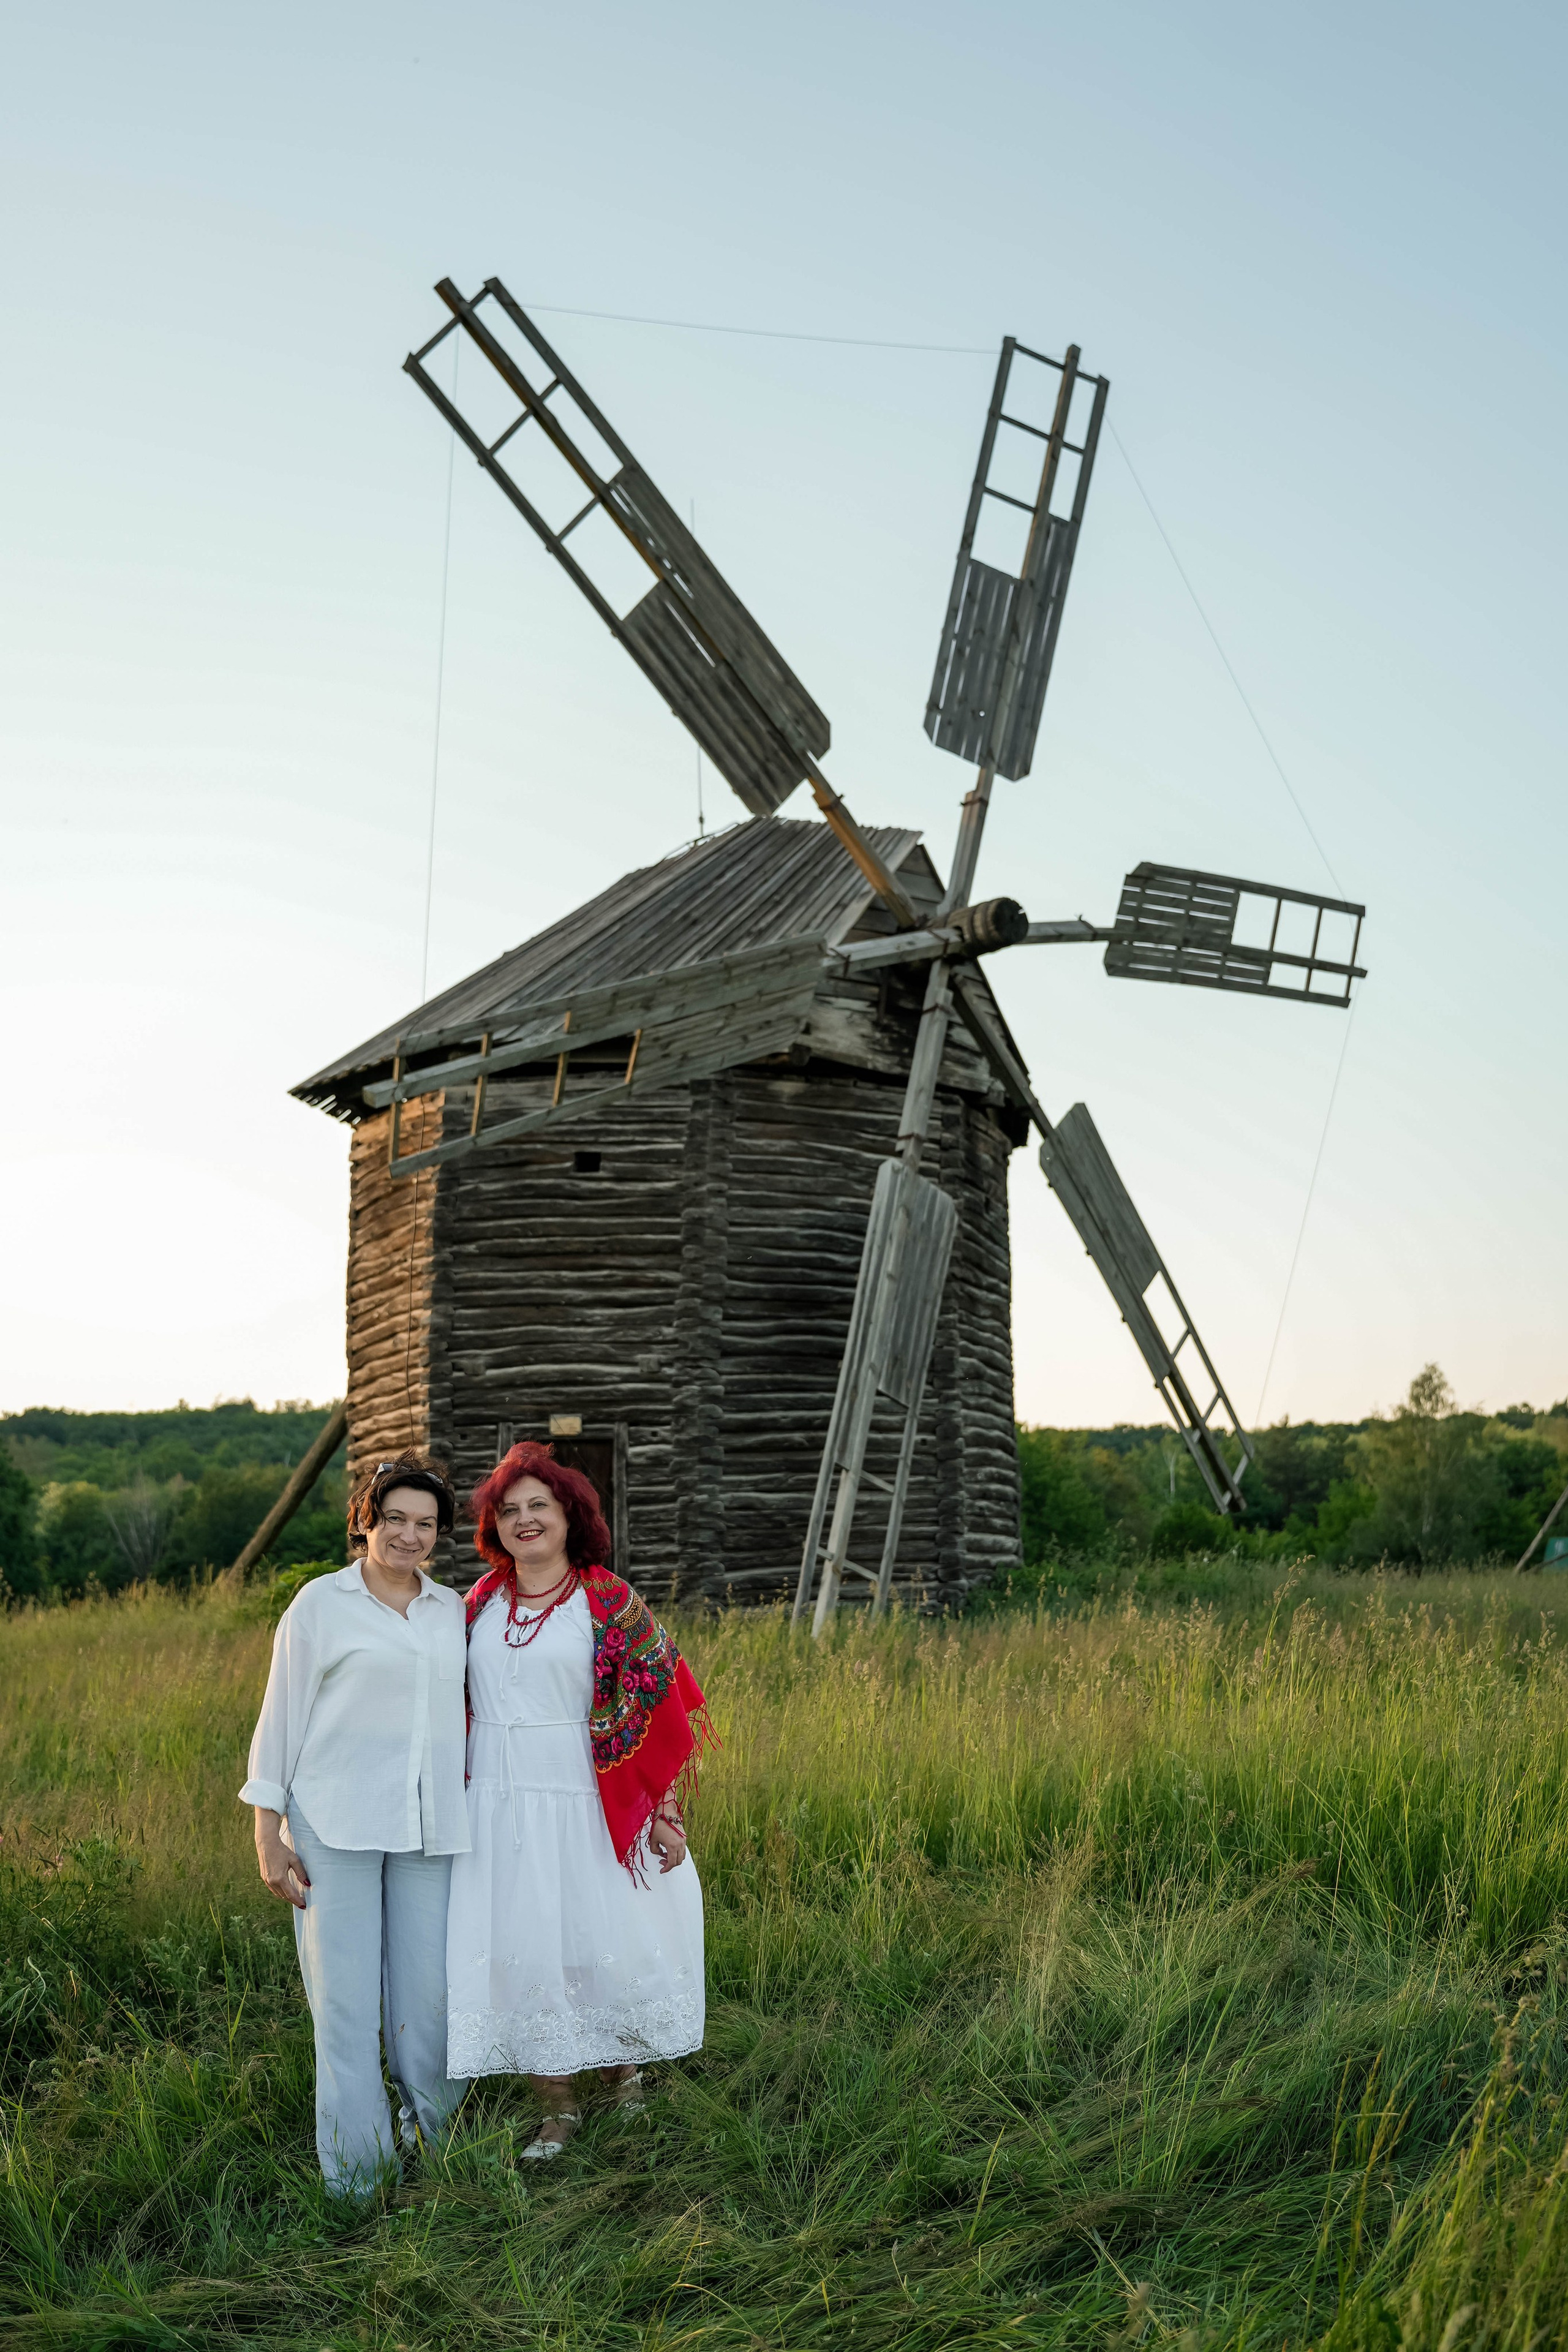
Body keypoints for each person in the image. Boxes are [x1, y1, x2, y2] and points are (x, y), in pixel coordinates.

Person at [445, 1441, 712, 2158]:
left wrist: (662, 1810)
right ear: (493, 1526)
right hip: (496, 1801)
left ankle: (623, 2079)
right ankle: (557, 2109)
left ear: (569, 1516)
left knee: (606, 1938)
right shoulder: (476, 1604)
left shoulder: (606, 1597)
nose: (525, 1520)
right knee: (524, 1947)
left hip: (588, 1794)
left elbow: (659, 1702)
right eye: (509, 1511)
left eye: (540, 1506)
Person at [239, 1452, 470, 2196]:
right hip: (332, 1823)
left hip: (430, 1828)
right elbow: (280, 1719)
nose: (409, 1535)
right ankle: (358, 2178)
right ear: (366, 1520)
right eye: (395, 1518)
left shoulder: (453, 1611)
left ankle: (439, 2144)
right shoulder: (319, 1604)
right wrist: (267, 1832)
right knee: (343, 2003)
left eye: (425, 1524)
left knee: (428, 2001)